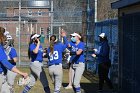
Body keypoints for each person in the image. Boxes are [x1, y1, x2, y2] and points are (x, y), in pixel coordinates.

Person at [0, 27, 28, 92]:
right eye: (3, 36)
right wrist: (21, 73)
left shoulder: (8, 49)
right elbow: (6, 63)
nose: (4, 39)